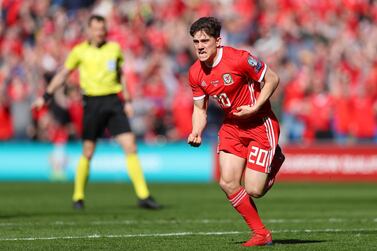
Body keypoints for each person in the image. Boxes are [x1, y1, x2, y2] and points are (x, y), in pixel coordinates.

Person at [32, 15, 161, 210]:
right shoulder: (79, 51)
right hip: (92, 103)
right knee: (88, 151)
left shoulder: (114, 49)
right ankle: (78, 196)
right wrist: (46, 96)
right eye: (96, 29)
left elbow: (121, 75)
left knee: (130, 146)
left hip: (113, 101)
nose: (100, 32)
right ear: (89, 30)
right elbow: (63, 74)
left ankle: (143, 195)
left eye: (102, 29)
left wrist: (126, 100)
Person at [187, 17, 285, 247]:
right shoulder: (195, 73)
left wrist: (256, 105)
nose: (199, 46)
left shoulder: (239, 59)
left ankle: (275, 157)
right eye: (195, 41)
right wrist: (196, 131)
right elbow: (199, 109)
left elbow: (273, 79)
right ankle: (261, 234)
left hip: (260, 124)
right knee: (227, 182)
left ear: (218, 41)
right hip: (232, 126)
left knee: (254, 189)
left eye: (204, 40)